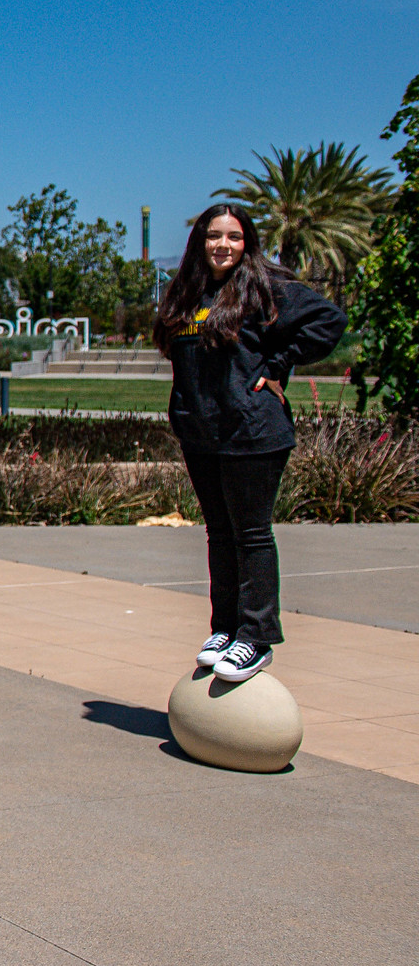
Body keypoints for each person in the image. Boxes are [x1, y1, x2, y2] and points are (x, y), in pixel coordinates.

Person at [155, 204, 345, 681]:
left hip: (253, 431)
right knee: (218, 533)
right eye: (214, 236)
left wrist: (278, 366)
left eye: (234, 237)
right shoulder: (188, 293)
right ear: (200, 241)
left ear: (247, 243)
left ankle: (256, 637)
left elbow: (328, 321)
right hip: (201, 431)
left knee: (252, 534)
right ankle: (225, 629)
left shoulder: (265, 287)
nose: (224, 245)